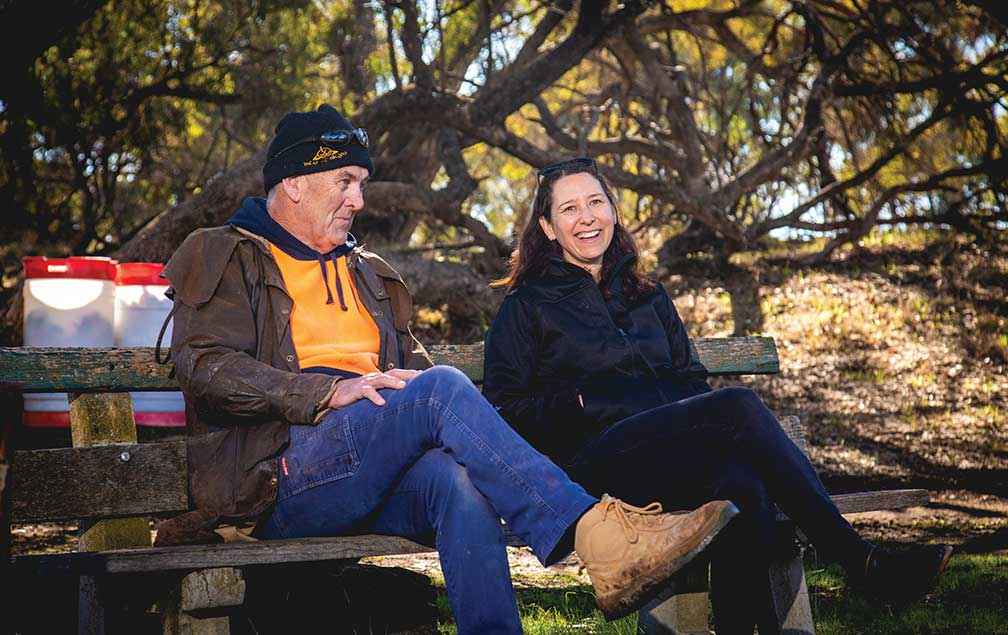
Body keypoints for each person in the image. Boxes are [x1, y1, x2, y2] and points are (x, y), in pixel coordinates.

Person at [155, 107, 740, 634]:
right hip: (278, 479)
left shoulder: (368, 272)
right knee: (440, 392)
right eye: (345, 182)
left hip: (370, 469)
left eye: (361, 184)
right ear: (293, 185)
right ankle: (598, 538)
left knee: (460, 485)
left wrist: (411, 395)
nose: (358, 199)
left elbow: (415, 377)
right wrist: (327, 391)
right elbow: (204, 366)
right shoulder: (225, 253)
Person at [482, 157, 955, 634]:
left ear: (613, 212)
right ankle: (860, 562)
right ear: (547, 227)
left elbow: (689, 380)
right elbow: (503, 414)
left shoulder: (647, 296)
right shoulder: (527, 307)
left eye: (595, 202)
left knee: (742, 486)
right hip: (594, 470)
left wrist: (669, 406)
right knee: (738, 406)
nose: (586, 217)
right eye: (569, 209)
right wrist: (586, 403)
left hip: (669, 456)